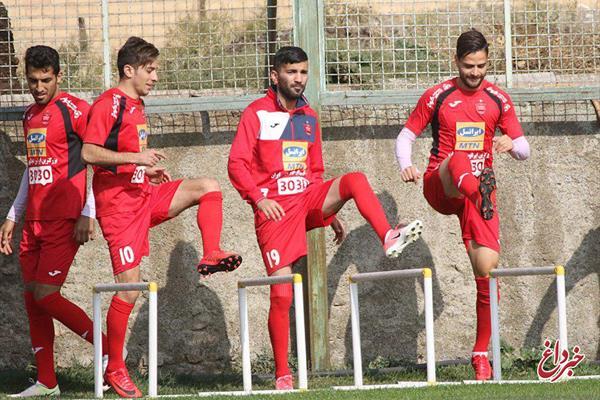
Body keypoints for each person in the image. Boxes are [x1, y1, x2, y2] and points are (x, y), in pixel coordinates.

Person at [228, 46, 423, 390]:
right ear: (275, 76)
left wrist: (328, 212)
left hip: (308, 199)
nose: (298, 79)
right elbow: (237, 165)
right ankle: (281, 373)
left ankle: (388, 236)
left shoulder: (310, 117)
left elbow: (315, 171)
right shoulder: (256, 114)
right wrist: (258, 199)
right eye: (291, 72)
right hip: (275, 212)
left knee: (354, 180)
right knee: (282, 293)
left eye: (303, 72)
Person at [81, 36, 242, 398]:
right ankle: (115, 367)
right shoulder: (110, 103)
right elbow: (90, 153)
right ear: (129, 70)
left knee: (208, 186)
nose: (155, 77)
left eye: (156, 69)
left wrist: (144, 172)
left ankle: (211, 252)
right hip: (119, 208)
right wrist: (136, 161)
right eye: (150, 70)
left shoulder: (138, 105)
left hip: (143, 194)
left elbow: (122, 157)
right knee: (130, 288)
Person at [395, 29, 530, 380]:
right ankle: (478, 192)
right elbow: (406, 135)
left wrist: (508, 144)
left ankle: (481, 353)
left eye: (482, 66)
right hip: (442, 184)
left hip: (478, 195)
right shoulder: (438, 95)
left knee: (487, 270)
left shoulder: (498, 98)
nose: (475, 73)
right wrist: (405, 164)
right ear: (456, 62)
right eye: (469, 66)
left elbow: (524, 149)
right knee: (459, 159)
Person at [0, 45, 109, 397]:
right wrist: (13, 215)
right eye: (32, 80)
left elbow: (93, 160)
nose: (38, 87)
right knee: (33, 299)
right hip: (34, 220)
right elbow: (33, 170)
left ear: (58, 76)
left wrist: (88, 212)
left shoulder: (76, 110)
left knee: (47, 295)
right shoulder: (30, 115)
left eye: (45, 80)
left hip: (66, 217)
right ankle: (47, 381)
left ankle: (108, 352)